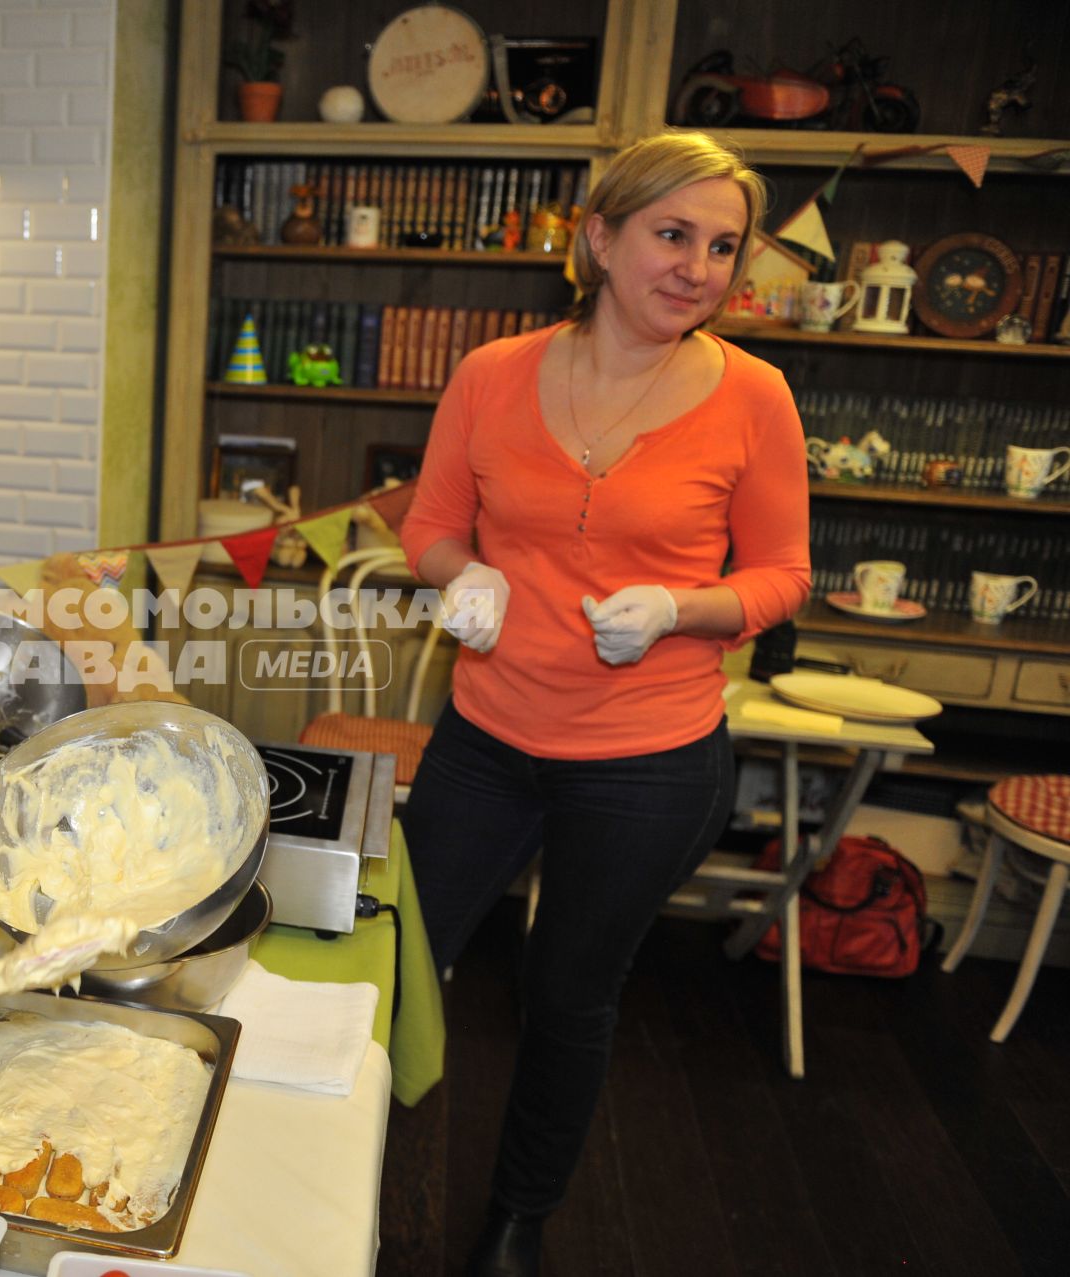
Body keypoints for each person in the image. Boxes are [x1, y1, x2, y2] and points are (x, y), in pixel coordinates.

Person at [397, 132, 810, 1277]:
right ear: (598, 239)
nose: (699, 267)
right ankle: (348, 1152)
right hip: (487, 733)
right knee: (396, 949)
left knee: (566, 990)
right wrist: (458, 573)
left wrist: (683, 607)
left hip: (649, 759)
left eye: (722, 246)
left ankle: (519, 1220)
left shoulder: (756, 398)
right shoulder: (491, 372)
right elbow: (427, 524)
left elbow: (782, 575)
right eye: (672, 234)